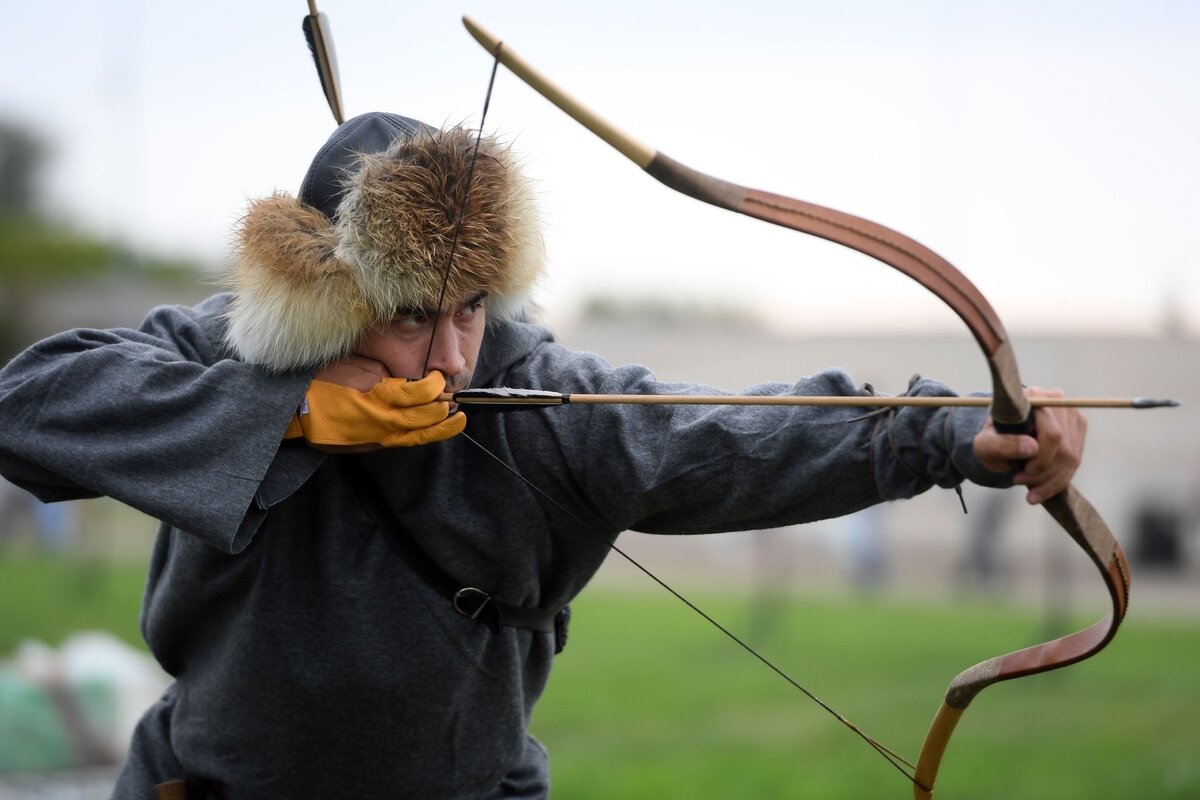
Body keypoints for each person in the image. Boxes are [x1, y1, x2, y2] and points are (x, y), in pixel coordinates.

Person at [0, 112, 1085, 799]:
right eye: (413, 313)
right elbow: (29, 402)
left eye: (471, 307)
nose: (453, 351)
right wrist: (289, 416)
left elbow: (712, 432)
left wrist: (951, 431)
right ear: (326, 296)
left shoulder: (535, 389)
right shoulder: (228, 350)